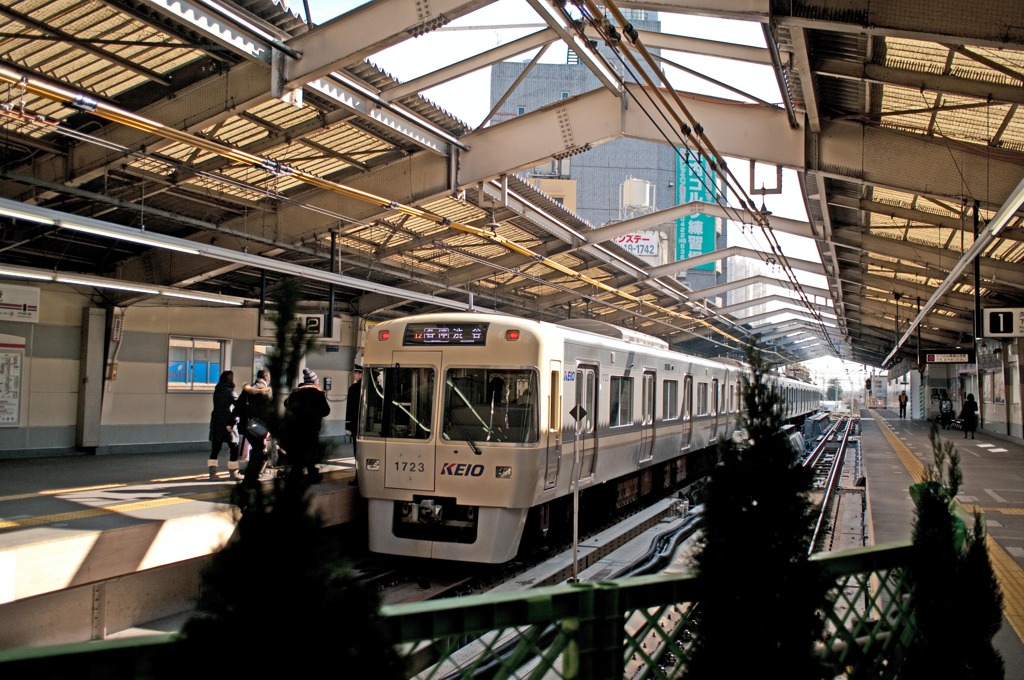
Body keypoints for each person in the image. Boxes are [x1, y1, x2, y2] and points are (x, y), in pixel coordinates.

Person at [280, 368, 331, 482]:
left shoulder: (295, 394)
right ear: (314, 381)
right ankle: (311, 475)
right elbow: (326, 411)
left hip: (296, 429)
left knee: (299, 453)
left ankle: (296, 475)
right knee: (310, 454)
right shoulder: (318, 394)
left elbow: (286, 404)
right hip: (312, 430)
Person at [237, 368, 273, 485]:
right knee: (260, 451)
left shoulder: (247, 390)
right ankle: (251, 477)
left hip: (247, 426)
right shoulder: (265, 391)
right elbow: (268, 412)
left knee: (257, 450)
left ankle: (251, 477)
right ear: (267, 378)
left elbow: (238, 406)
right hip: (259, 427)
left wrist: (232, 421)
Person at [207, 370, 242, 481]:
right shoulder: (230, 392)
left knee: (215, 448)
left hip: (216, 420)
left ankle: (212, 473)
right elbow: (239, 405)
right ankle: (233, 472)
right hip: (227, 421)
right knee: (234, 446)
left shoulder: (217, 391)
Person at [346, 365, 362, 456]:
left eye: (356, 373)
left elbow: (350, 407)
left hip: (355, 421)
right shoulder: (373, 387)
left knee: (356, 445)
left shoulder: (353, 388)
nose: (354, 376)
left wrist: (348, 425)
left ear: (361, 374)